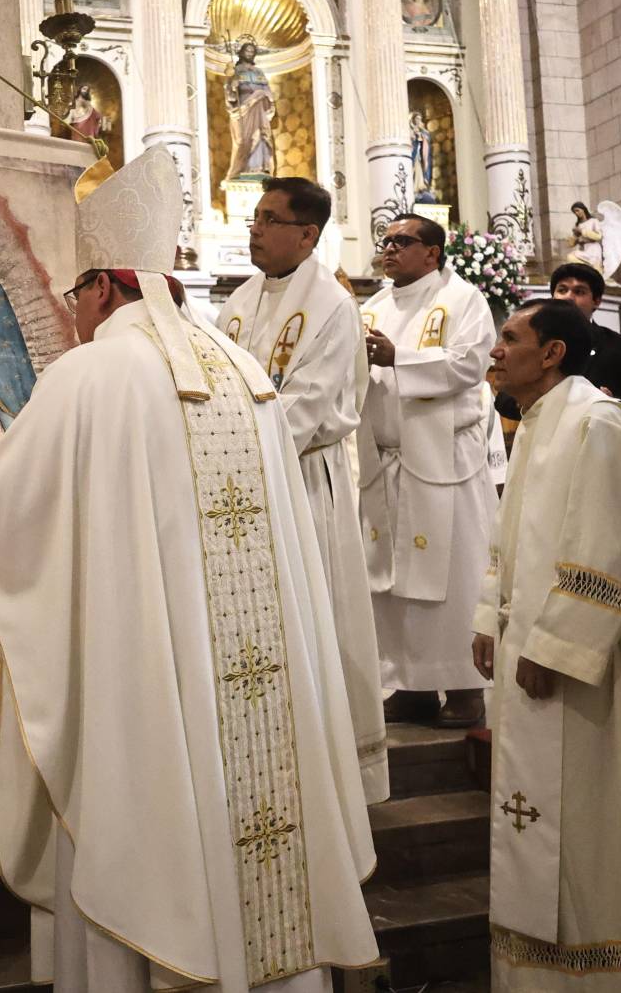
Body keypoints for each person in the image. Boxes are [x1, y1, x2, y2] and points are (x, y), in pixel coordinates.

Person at [0, 149, 378, 993]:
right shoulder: (243, 375)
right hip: (248, 701)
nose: (75, 315)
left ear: (101, 287)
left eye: (74, 298)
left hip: (150, 694)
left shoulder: (91, 372)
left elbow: (19, 504)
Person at [472, 298, 621, 991]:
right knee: (539, 822)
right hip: (527, 653)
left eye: (510, 338)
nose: (495, 349)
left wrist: (559, 643)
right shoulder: (536, 423)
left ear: (552, 354)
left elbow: (613, 542)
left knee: (593, 833)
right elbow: (511, 538)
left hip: (577, 669)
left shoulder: (595, 421)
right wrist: (490, 616)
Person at [217, 176, 390, 803]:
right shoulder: (237, 300)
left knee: (316, 618)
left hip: (302, 478)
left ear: (306, 233)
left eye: (268, 218)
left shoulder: (334, 306)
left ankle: (330, 771)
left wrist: (223, 442)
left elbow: (312, 406)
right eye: (254, 218)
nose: (254, 229)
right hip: (242, 482)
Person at [359, 214, 496, 726]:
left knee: (453, 576)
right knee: (392, 580)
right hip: (388, 459)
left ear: (433, 252)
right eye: (386, 241)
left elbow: (469, 365)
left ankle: (464, 688)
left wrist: (402, 359)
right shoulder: (371, 308)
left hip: (444, 462)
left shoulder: (464, 300)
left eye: (402, 241)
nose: (389, 249)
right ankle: (410, 684)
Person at [493, 260, 621, 421]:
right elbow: (503, 400)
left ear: (596, 301)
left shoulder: (618, 345)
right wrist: (531, 402)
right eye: (562, 290)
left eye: (579, 292)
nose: (568, 297)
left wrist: (611, 405)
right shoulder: (532, 342)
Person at [224, 38, 275, 179]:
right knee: (245, 139)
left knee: (261, 135)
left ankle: (260, 167)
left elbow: (267, 89)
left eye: (252, 51)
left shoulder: (259, 72)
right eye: (247, 51)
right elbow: (231, 96)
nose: (250, 53)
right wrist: (232, 87)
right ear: (241, 52)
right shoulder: (236, 70)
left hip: (259, 106)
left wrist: (269, 101)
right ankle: (244, 168)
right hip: (244, 108)